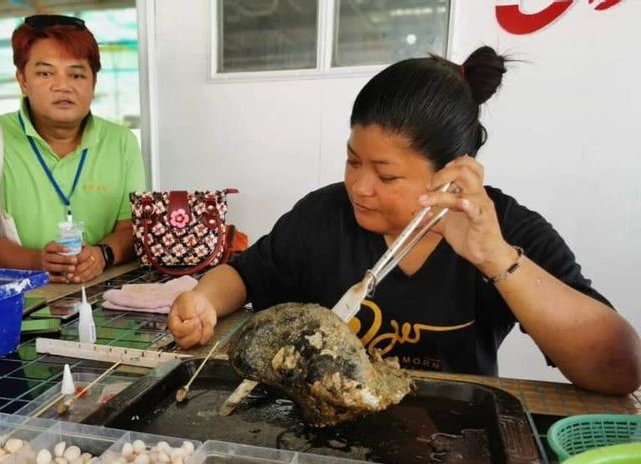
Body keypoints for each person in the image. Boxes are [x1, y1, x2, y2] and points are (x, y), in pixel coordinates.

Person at [168, 46, 641, 395]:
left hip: (454, 442)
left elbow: (620, 366)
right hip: (325, 429)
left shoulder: (504, 229)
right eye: (353, 161)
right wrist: (203, 299)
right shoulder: (323, 216)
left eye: (386, 174)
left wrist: (494, 257)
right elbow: (243, 275)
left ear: (453, 172)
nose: (359, 187)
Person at [0, 14, 144, 283]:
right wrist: (39, 262)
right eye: (45, 73)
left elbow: (131, 227)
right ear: (23, 80)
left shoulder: (121, 141)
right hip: (21, 302)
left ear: (93, 82)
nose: (63, 86)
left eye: (76, 74)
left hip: (103, 296)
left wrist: (102, 255)